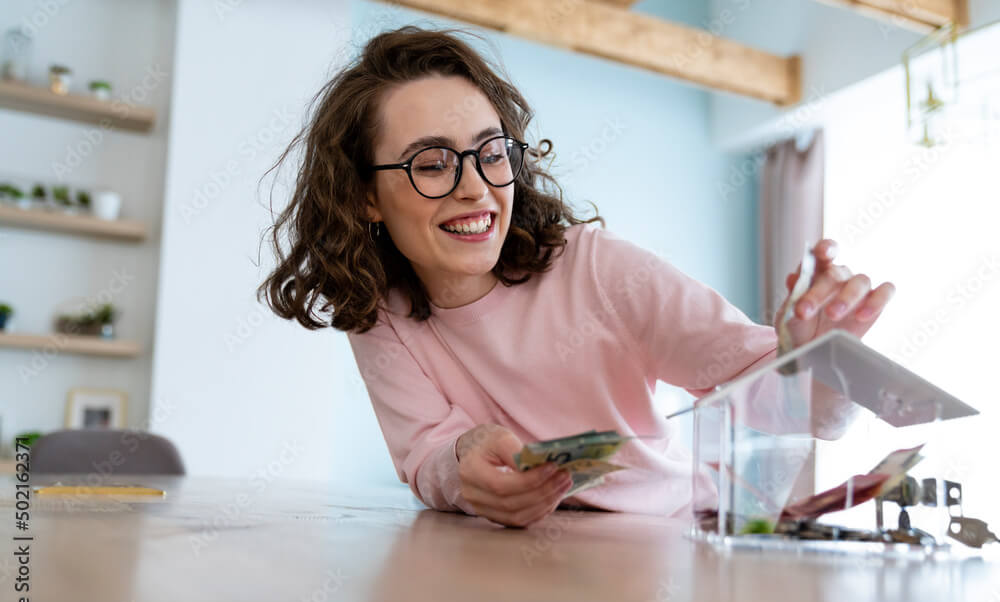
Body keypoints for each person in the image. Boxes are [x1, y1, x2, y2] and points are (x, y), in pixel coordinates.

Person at [258, 26, 895, 528]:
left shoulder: (600, 269)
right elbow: (426, 454)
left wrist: (824, 361)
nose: (477, 189)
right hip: (508, 567)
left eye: (490, 152)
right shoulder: (379, 309)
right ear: (364, 195)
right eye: (431, 164)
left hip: (663, 549)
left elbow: (805, 412)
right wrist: (463, 467)